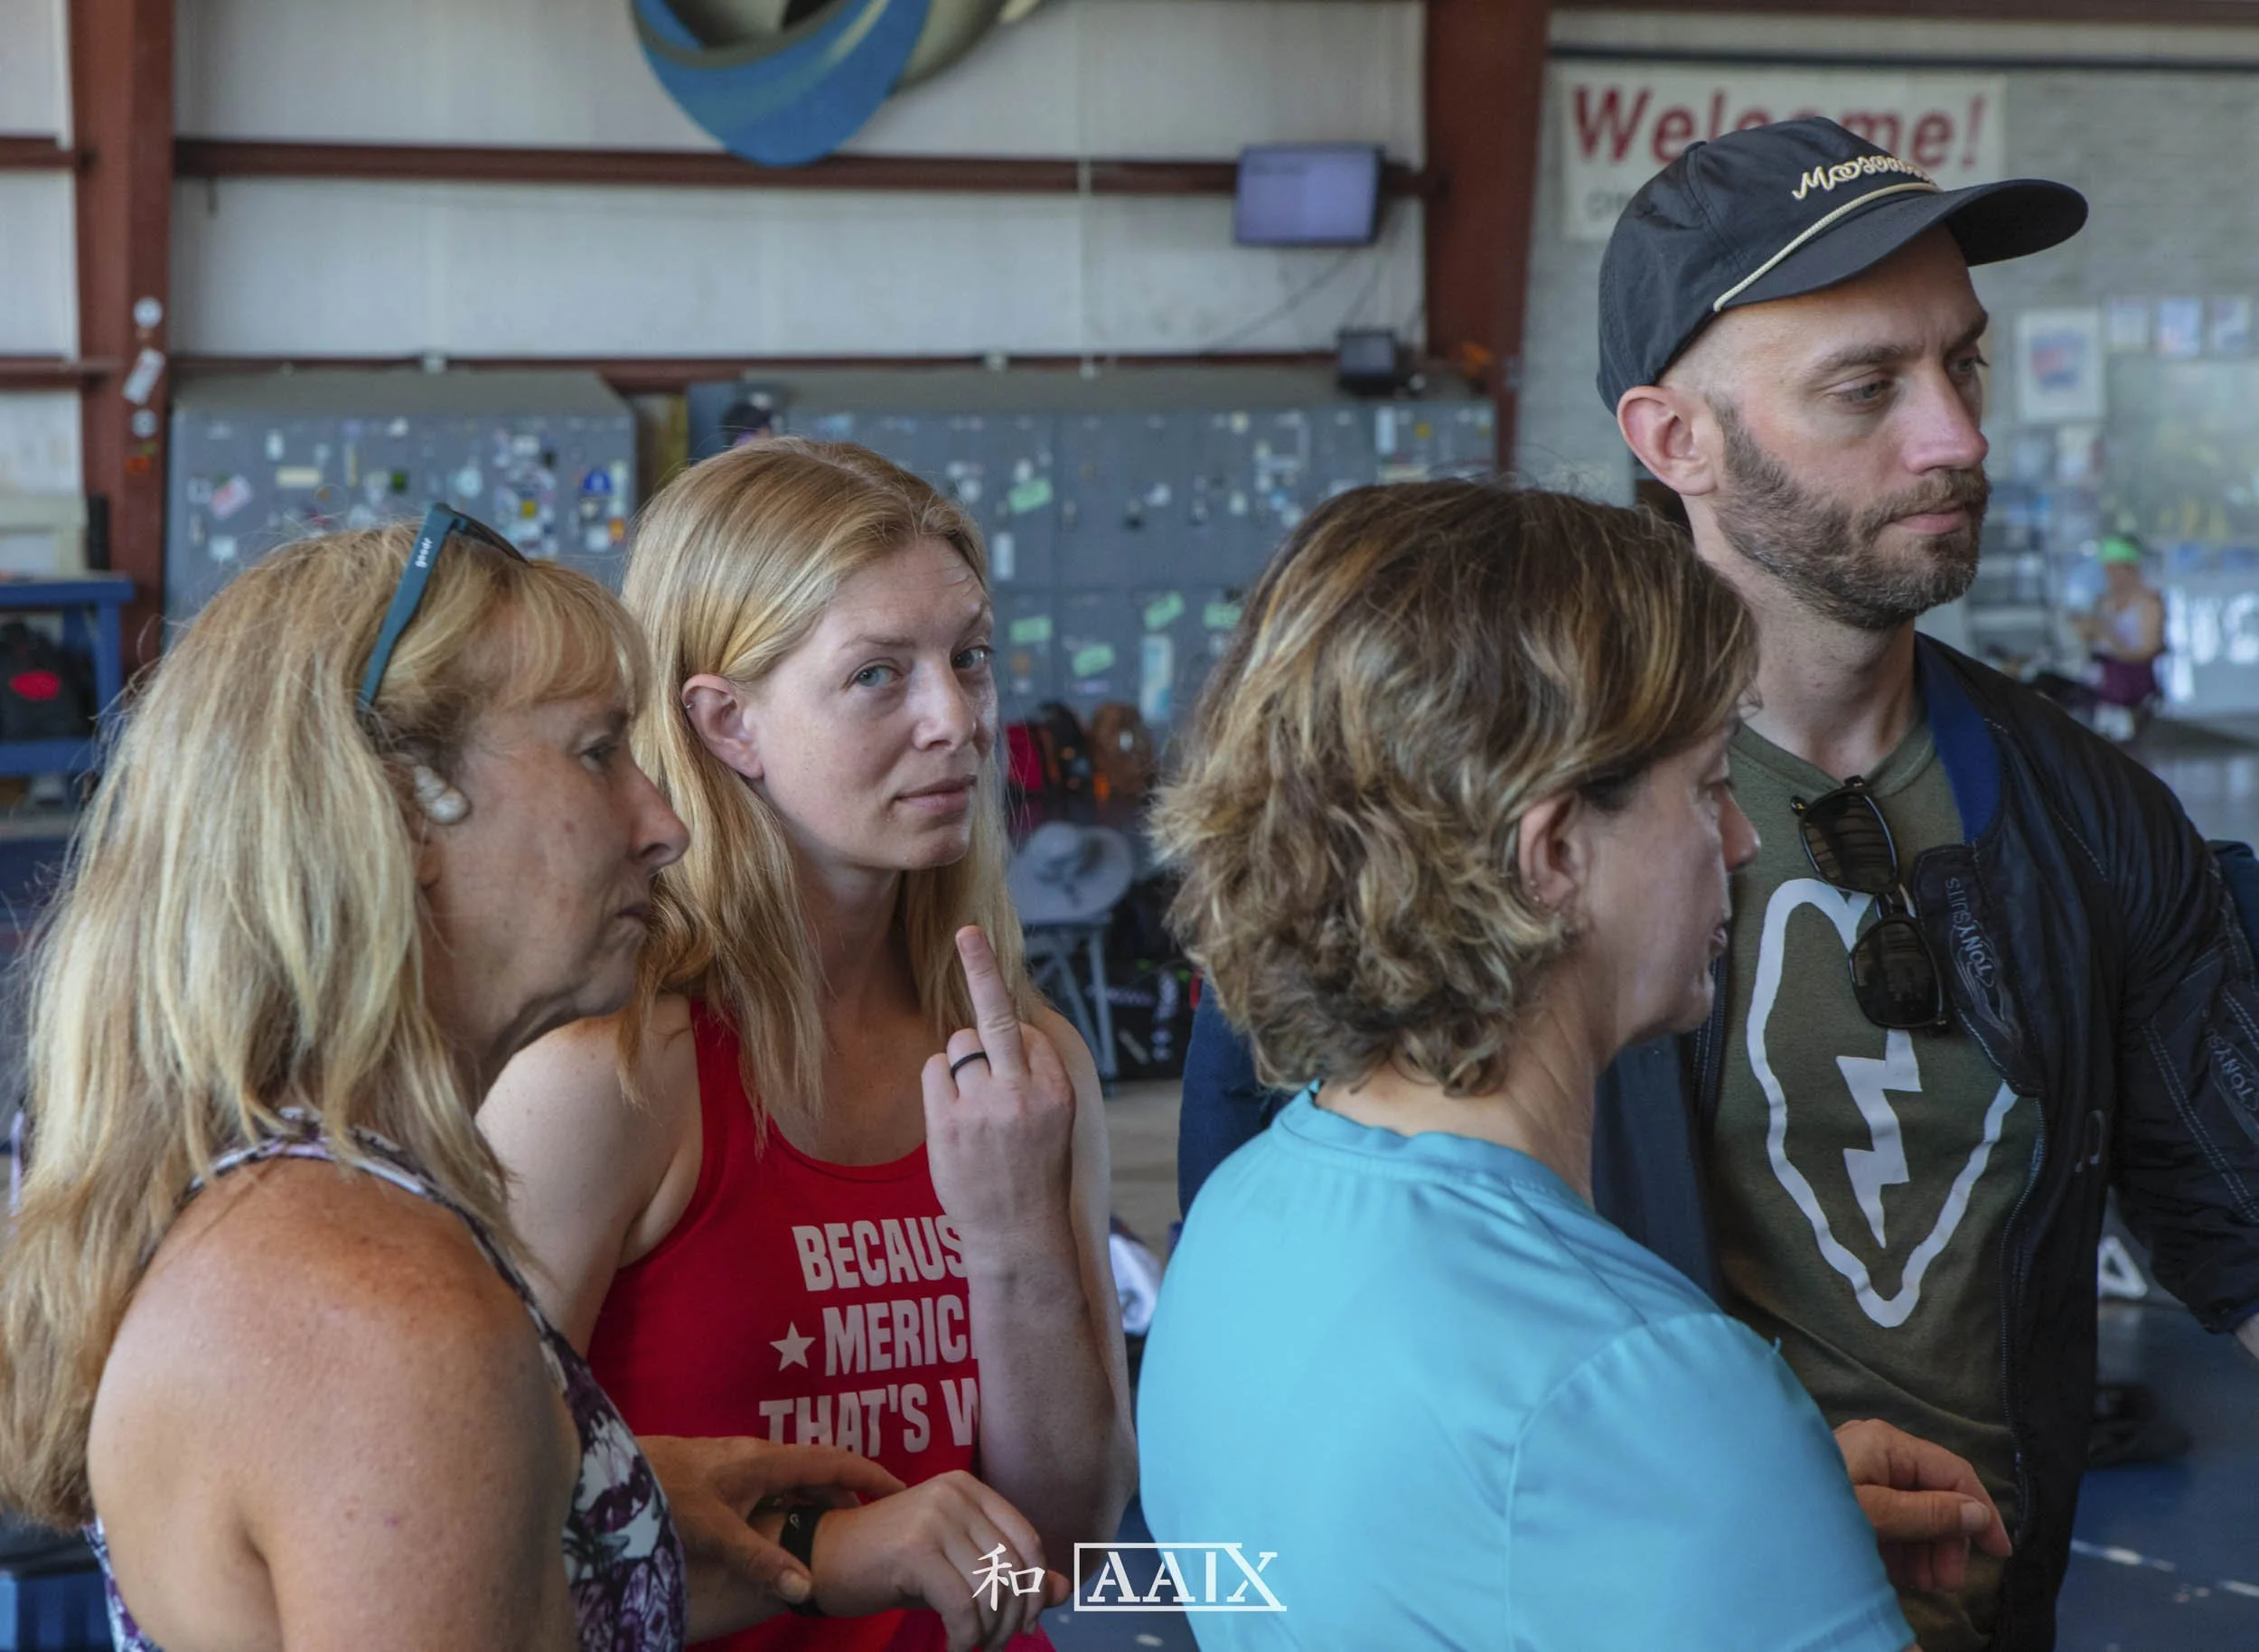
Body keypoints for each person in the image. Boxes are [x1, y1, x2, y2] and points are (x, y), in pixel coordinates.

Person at [1177, 117, 2259, 1651]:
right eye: (1867, 386)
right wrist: (1705, 1494)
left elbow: (2243, 1209)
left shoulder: (2092, 823)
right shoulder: (1446, 813)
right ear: (1672, 436)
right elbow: (1302, 1411)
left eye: (1966, 366)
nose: (1952, 434)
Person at [0, 512, 896, 1652]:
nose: (664, 824)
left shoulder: (286, 1220)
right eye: (596, 749)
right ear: (401, 805)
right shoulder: (382, 1314)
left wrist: (612, 1514)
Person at [1141, 481, 1972, 1649]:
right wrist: (1717, 1474)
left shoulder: (1243, 1217)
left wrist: (1743, 1524)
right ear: (1553, 856)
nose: (1739, 844)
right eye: (1709, 788)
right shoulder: (1648, 1382)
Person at [483, 439, 1137, 1652]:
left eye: (970, 659)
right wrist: (821, 1561)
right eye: (880, 676)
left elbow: (1064, 1552)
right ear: (728, 722)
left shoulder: (1022, 1069)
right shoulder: (609, 1080)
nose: (959, 719)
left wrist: (1013, 1243)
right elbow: (475, 1537)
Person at [2074, 535, 2166, 739]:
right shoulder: (2104, 600)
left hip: (2130, 678)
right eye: (2108, 570)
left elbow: (2148, 651)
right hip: (2100, 676)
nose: (2112, 576)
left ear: (2131, 568)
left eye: (2116, 569)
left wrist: (2108, 636)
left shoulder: (2149, 603)